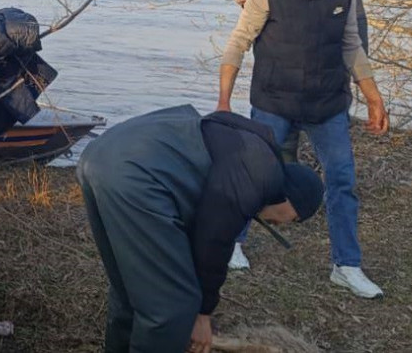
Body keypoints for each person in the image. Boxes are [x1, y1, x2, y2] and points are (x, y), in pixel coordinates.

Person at [217, 0, 389, 296]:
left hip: (327, 104)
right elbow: (239, 41)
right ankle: (232, 244)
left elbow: (351, 46)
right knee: (253, 175)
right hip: (274, 101)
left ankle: (346, 265)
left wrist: (373, 96)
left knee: (342, 179)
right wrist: (223, 101)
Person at [77, 105, 324, 353]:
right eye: (293, 220)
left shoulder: (246, 149)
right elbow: (215, 238)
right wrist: (202, 313)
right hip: (133, 177)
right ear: (294, 199)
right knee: (172, 307)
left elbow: (195, 233)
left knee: (131, 290)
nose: (283, 225)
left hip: (98, 156)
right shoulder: (262, 173)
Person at [233, 0, 371, 166]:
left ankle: (306, 183)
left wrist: (354, 76)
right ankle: (288, 189)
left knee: (332, 149)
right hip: (282, 85)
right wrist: (249, 2)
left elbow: (353, 28)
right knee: (281, 146)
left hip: (326, 80)